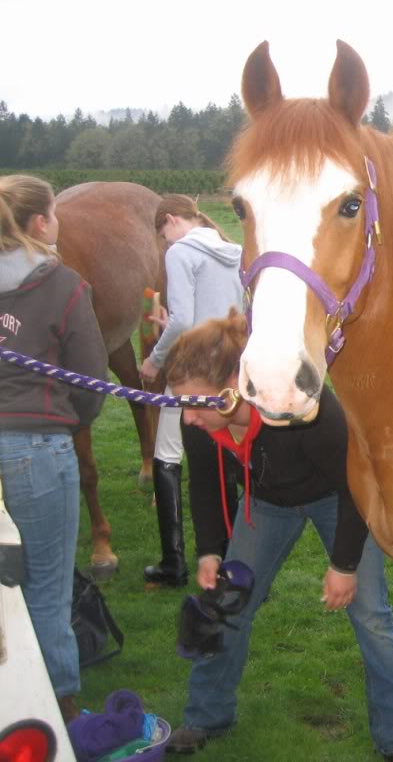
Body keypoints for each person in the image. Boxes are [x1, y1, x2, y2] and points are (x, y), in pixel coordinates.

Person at [161, 313, 393, 762]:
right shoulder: (202, 424)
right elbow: (205, 485)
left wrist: (344, 565)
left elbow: (354, 485)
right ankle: (205, 715)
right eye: (181, 404)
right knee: (227, 603)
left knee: (371, 614)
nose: (187, 417)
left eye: (195, 403)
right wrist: (209, 550)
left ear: (233, 385)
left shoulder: (303, 406)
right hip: (265, 503)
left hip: (337, 497)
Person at [0, 174, 107, 722]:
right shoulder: (63, 284)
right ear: (42, 222)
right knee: (47, 591)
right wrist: (66, 425)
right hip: (38, 450)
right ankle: (59, 716)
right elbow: (92, 379)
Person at [139, 196, 243, 587]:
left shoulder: (181, 252)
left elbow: (184, 318)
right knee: (224, 465)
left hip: (192, 371)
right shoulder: (231, 249)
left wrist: (154, 359)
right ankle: (236, 559)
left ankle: (173, 562)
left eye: (163, 235)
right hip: (229, 370)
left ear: (169, 221)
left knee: (169, 456)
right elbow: (214, 311)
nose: (165, 242)